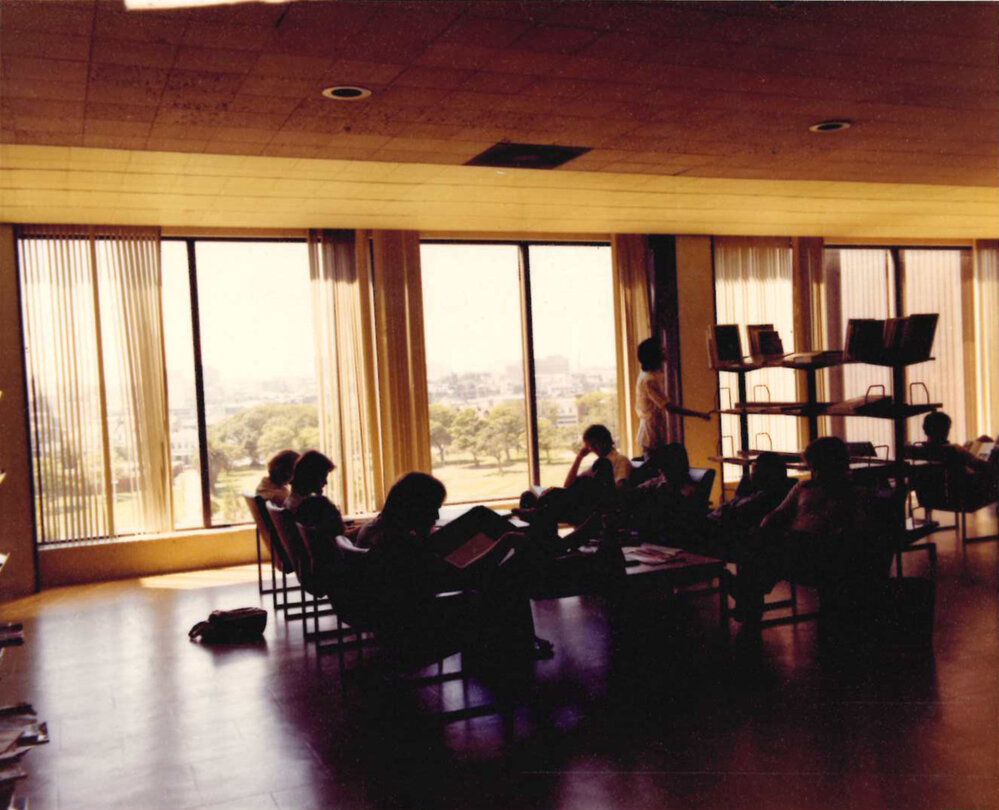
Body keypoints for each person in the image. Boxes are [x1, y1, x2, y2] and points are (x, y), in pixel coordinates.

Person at [357, 472, 553, 662]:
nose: (435, 515)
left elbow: (428, 567)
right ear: (414, 507)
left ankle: (540, 548)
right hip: (417, 627)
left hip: (400, 613)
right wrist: (503, 544)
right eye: (432, 508)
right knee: (508, 574)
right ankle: (520, 643)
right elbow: (465, 577)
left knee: (480, 516)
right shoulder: (399, 544)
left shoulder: (377, 529)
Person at [735, 436, 891, 623]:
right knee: (755, 553)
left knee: (757, 561)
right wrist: (765, 528)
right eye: (813, 468)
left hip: (824, 551)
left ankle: (744, 600)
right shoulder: (803, 487)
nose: (816, 474)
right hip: (794, 544)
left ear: (839, 465)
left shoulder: (856, 493)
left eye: (821, 468)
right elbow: (778, 514)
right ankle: (747, 602)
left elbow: (858, 532)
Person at [513, 424, 630, 534]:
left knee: (550, 499)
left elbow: (620, 489)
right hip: (578, 502)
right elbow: (568, 484)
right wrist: (579, 458)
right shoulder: (596, 464)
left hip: (591, 507)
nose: (593, 450)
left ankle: (540, 528)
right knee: (528, 496)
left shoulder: (619, 460)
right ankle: (530, 538)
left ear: (604, 441)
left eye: (594, 445)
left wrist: (589, 487)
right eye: (590, 447)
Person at [704, 452, 794, 560]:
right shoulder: (750, 490)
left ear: (769, 474)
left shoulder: (766, 497)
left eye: (755, 469)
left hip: (719, 530)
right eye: (752, 469)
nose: (751, 474)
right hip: (713, 521)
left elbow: (734, 515)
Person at [635, 338, 711, 457]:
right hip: (651, 434)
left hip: (653, 431)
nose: (665, 351)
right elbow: (670, 408)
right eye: (661, 350)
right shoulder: (649, 380)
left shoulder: (650, 375)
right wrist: (699, 414)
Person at [907, 411, 997, 506]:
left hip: (928, 500)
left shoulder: (918, 451)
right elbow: (982, 466)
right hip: (961, 499)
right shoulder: (954, 450)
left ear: (925, 430)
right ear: (948, 430)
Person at [286, 450, 344, 538]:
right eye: (323, 477)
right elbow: (340, 537)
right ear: (311, 477)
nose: (326, 482)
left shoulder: (290, 501)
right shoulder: (315, 505)